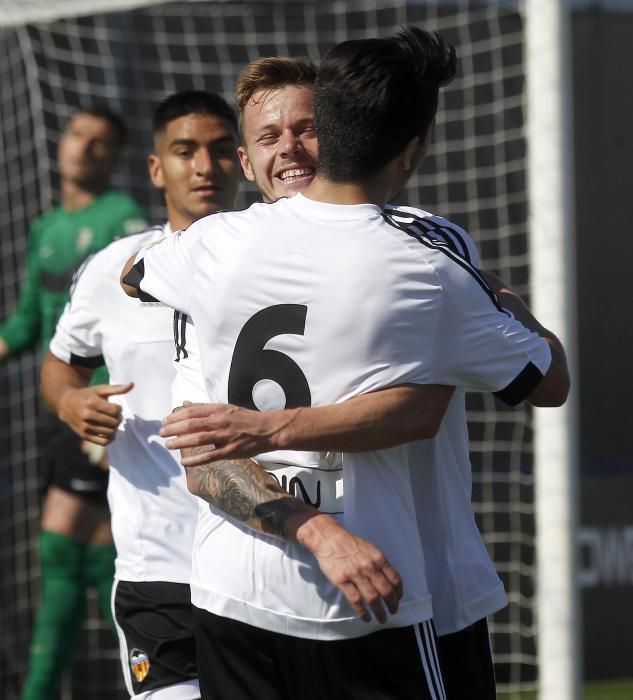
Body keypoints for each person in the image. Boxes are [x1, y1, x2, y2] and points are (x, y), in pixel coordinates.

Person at [122, 28, 568, 700]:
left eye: (305, 128)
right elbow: (203, 451)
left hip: (397, 586)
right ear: (247, 161)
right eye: (269, 137)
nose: (290, 149)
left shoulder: (203, 251)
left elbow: (137, 275)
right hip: (335, 597)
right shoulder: (414, 263)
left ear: (333, 133)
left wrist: (267, 430)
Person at [40, 91, 242, 699]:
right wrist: (72, 403)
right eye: (184, 151)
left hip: (262, 564)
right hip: (158, 569)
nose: (203, 167)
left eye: (217, 151)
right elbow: (58, 365)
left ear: (242, 161)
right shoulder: (112, 268)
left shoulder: (280, 261)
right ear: (157, 168)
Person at [0, 105, 146, 700]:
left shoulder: (125, 222)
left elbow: (139, 318)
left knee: (82, 544)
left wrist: (112, 410)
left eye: (101, 142)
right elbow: (29, 322)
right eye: (79, 135)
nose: (84, 148)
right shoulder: (47, 228)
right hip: (61, 408)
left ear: (115, 157)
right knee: (74, 547)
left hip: (109, 412)